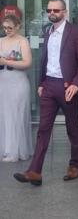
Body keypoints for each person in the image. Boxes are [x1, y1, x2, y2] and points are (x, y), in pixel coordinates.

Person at [13, 0, 78, 186]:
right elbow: (45, 59)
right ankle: (35, 172)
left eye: (56, 10)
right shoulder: (47, 31)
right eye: (49, 11)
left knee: (72, 128)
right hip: (48, 86)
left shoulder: (75, 32)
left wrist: (76, 85)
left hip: (67, 87)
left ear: (64, 12)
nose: (52, 14)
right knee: (43, 129)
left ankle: (74, 166)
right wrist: (41, 83)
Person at [0, 14, 33, 162]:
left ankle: (16, 151)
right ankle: (6, 149)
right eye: (5, 27)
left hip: (18, 82)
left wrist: (6, 61)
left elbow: (27, 63)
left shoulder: (22, 41)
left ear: (18, 26)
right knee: (5, 115)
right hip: (3, 81)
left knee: (17, 115)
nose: (7, 30)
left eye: (10, 28)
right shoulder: (1, 41)